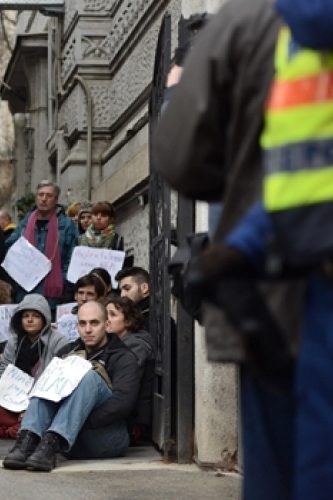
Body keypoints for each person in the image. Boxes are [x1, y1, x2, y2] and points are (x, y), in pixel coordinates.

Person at [152, 2, 304, 498]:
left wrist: (181, 81)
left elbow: (181, 159)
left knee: (277, 467)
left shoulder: (247, 27)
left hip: (266, 288)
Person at [2, 301, 139, 471]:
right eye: (83, 324)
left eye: (94, 323)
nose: (88, 329)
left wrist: (78, 420)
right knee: (48, 380)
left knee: (89, 375)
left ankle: (50, 444)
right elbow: (45, 391)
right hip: (69, 443)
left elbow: (122, 403)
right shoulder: (66, 352)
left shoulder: (123, 357)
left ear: (107, 325)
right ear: (77, 326)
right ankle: (27, 441)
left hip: (106, 438)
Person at [0, 294, 69, 439]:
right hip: (14, 399)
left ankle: (10, 430)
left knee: (47, 415)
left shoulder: (59, 341)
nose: (30, 319)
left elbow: (59, 379)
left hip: (44, 401)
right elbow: (4, 370)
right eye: (25, 316)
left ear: (45, 318)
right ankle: (23, 427)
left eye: (35, 316)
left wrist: (31, 406)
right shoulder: (14, 341)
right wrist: (15, 401)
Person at [6, 181, 78, 311]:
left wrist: (64, 280)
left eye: (49, 196)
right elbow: (10, 249)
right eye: (41, 195)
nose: (44, 199)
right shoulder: (25, 223)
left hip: (53, 293)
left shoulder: (66, 225)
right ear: (36, 198)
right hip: (25, 290)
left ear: (56, 200)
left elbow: (72, 257)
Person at [105, 297, 154, 445]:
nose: (107, 320)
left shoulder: (136, 346)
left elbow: (123, 384)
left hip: (134, 421)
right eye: (105, 314)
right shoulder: (117, 342)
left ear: (128, 321)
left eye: (112, 315)